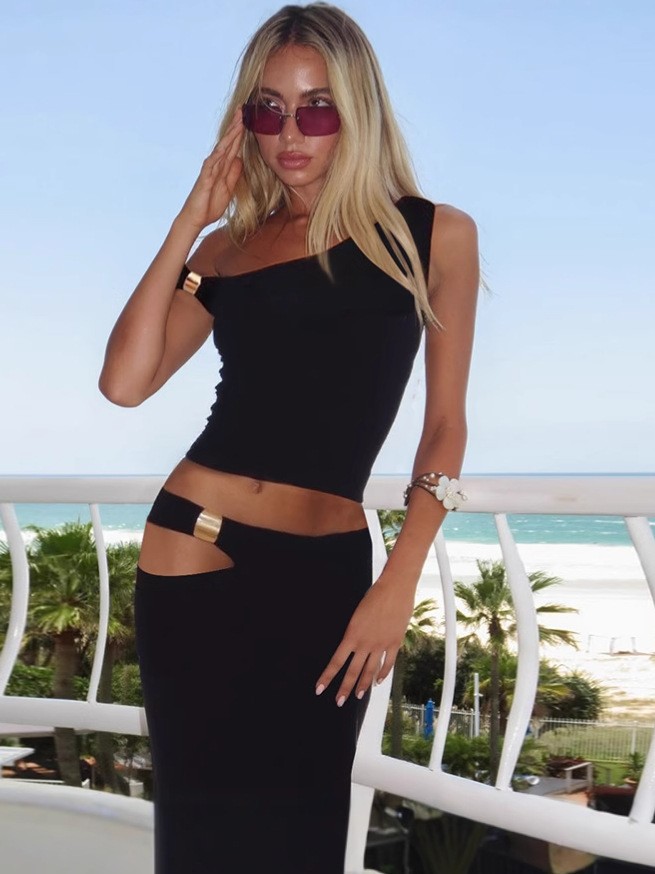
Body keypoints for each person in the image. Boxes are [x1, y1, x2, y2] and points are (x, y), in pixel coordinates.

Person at [99, 4, 479, 872]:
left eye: (316, 108)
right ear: (245, 123)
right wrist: (190, 219)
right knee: (202, 834)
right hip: (197, 547)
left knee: (303, 834)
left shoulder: (431, 234)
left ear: (357, 108)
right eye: (267, 111)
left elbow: (445, 425)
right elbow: (125, 382)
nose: (290, 134)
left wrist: (399, 581)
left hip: (329, 574)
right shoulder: (226, 250)